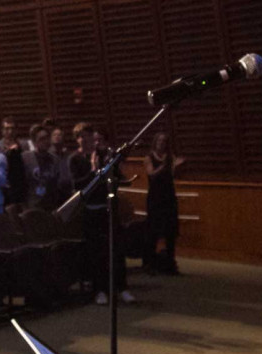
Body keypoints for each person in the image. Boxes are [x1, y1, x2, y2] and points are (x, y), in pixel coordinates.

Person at [68, 123, 135, 305]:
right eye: (80, 136)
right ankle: (100, 290)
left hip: (108, 207)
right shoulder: (75, 159)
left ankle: (122, 287)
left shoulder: (104, 155)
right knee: (96, 253)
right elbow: (78, 185)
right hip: (90, 210)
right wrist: (93, 171)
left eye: (87, 136)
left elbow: (117, 177)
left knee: (116, 250)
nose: (84, 139)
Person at [143, 132, 184, 275]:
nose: (162, 143)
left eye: (164, 141)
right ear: (155, 142)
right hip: (155, 197)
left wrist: (176, 166)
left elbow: (173, 176)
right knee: (153, 230)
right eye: (159, 141)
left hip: (168, 196)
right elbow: (151, 175)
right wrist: (164, 165)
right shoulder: (149, 158)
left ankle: (170, 262)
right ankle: (150, 263)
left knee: (170, 230)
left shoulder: (170, 156)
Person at [22, 124, 61, 211]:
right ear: (34, 142)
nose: (46, 141)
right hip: (32, 206)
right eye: (42, 139)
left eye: (47, 137)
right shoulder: (26, 158)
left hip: (51, 206)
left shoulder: (54, 159)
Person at [0, 116, 29, 209]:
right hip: (3, 188)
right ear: (2, 130)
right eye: (7, 129)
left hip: (21, 186)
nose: (10, 132)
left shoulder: (24, 145)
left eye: (12, 128)